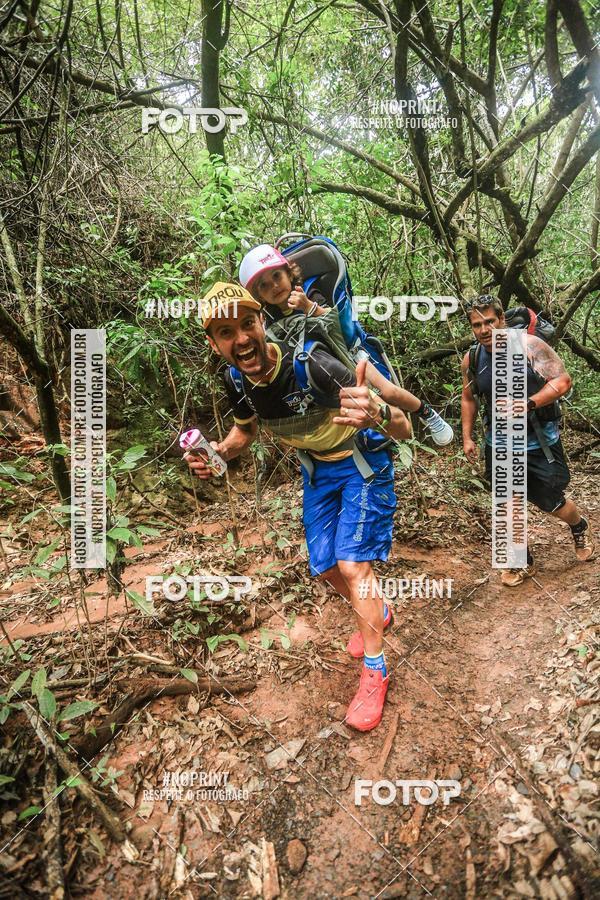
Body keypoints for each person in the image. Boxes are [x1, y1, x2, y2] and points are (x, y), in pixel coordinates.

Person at [186, 281, 413, 731]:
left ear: (261, 322)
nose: (242, 339)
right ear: (215, 345)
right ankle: (379, 613)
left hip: (361, 462)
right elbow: (244, 433)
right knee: (325, 566)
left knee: (352, 567)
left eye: (247, 324)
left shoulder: (315, 364)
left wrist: (378, 413)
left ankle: (375, 669)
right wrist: (218, 453)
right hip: (317, 473)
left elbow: (403, 427)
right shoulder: (236, 380)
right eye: (226, 332)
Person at [239, 243, 454, 446]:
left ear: (289, 273)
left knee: (388, 391)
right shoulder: (269, 317)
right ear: (259, 295)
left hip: (342, 352)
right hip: (316, 367)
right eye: (264, 285)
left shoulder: (308, 293)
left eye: (277, 276)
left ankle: (427, 414)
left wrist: (308, 307)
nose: (274, 286)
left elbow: (332, 322)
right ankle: (376, 440)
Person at [461, 295, 595, 586]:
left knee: (553, 503)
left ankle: (578, 524)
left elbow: (562, 382)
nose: (484, 330)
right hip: (499, 445)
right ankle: (522, 560)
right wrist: (467, 436)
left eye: (489, 322)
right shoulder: (472, 358)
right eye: (476, 325)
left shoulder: (529, 346)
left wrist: (528, 403)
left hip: (538, 444)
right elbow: (469, 397)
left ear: (502, 320)